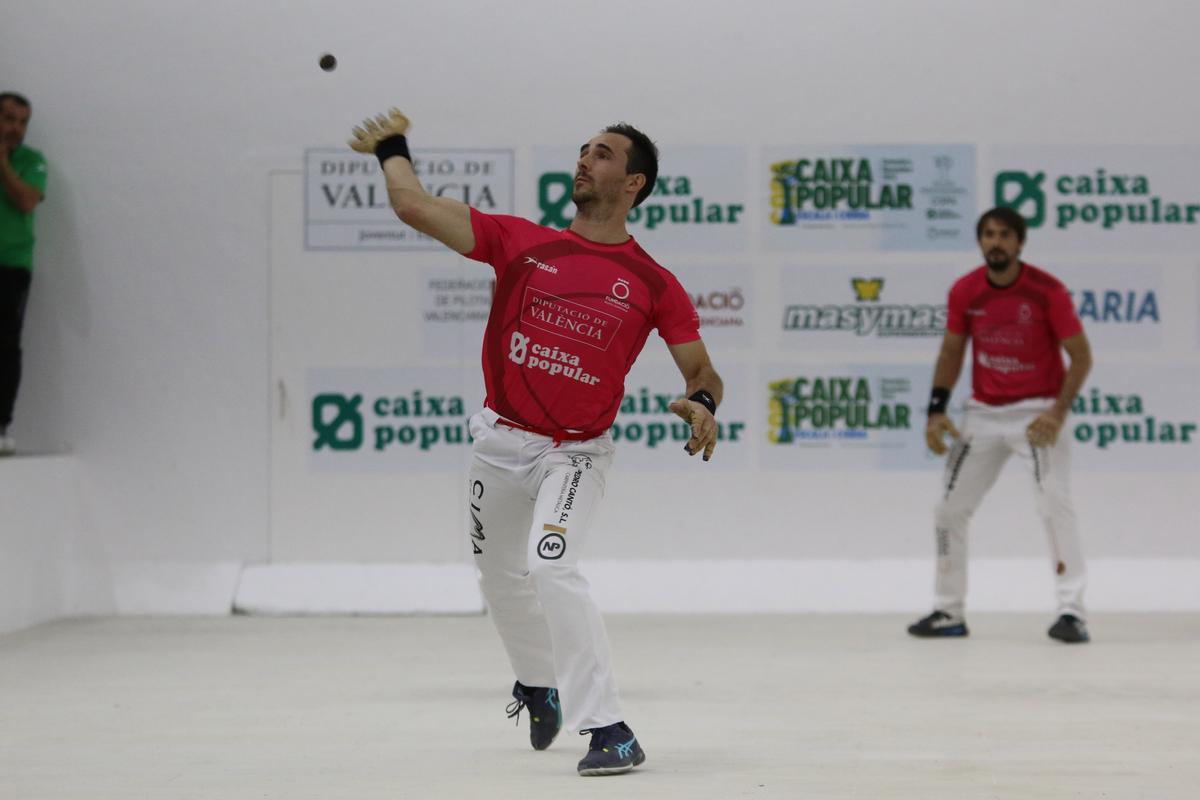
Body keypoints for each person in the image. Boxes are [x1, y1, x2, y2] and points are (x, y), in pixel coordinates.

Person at [348, 109, 723, 775]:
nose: (584, 159)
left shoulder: (653, 282)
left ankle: (610, 728)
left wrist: (702, 404)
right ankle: (538, 684)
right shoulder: (519, 242)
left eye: (602, 154)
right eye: (583, 150)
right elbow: (412, 206)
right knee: (500, 579)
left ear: (633, 183)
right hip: (498, 442)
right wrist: (392, 147)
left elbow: (702, 371)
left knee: (551, 566)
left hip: (574, 453)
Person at [909, 207, 1093, 644]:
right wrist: (936, 410)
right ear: (980, 241)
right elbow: (952, 350)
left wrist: (1056, 413)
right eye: (989, 234)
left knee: (1053, 503)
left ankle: (1072, 612)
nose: (996, 242)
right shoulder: (965, 290)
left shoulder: (1046, 291)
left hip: (1037, 414)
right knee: (949, 509)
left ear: (1020, 242)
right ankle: (948, 610)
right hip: (984, 415)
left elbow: (1081, 356)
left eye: (1005, 235)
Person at [0, 92, 47, 456]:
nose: (16, 128)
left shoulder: (32, 161)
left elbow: (27, 200)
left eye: (22, 122)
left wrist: (2, 162)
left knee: (5, 345)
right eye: (8, 118)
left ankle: (0, 427)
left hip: (12, 266)